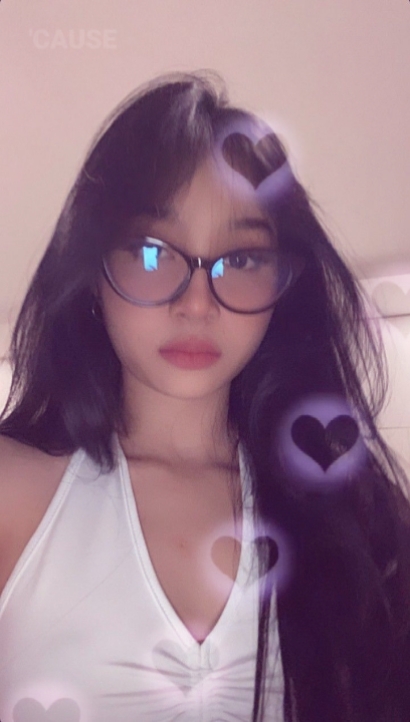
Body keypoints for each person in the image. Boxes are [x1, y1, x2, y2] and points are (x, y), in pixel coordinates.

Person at [0, 71, 409, 722]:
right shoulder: (13, 493)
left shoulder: (357, 516)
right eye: (152, 251)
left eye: (241, 259)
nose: (197, 303)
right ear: (92, 273)